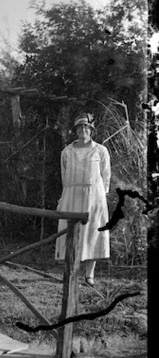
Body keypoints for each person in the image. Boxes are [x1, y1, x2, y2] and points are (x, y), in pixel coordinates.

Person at [55, 113, 111, 286]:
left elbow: (106, 175)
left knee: (92, 233)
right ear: (76, 130)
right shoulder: (67, 152)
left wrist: (100, 198)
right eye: (80, 127)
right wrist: (66, 196)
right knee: (70, 232)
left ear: (91, 130)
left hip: (93, 197)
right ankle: (71, 271)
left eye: (86, 127)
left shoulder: (100, 150)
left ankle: (89, 274)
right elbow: (65, 177)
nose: (83, 130)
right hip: (72, 195)